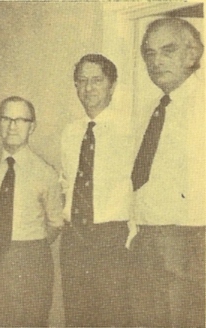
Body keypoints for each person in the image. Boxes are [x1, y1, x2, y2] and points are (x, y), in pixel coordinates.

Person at [129, 17, 205, 328]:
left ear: (192, 53)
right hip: (146, 236)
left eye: (167, 50)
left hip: (189, 239)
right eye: (149, 53)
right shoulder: (152, 107)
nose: (156, 61)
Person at [0, 96, 64, 327]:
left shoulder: (46, 173)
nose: (12, 126)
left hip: (29, 262)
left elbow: (55, 223)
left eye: (20, 120)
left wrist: (24, 248)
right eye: (6, 118)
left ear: (32, 126)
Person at [60, 54, 135, 327]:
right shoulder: (70, 132)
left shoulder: (131, 131)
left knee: (113, 316)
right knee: (77, 316)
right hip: (75, 238)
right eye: (81, 81)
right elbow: (67, 182)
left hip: (111, 237)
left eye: (96, 81)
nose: (88, 88)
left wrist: (131, 235)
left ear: (112, 85)